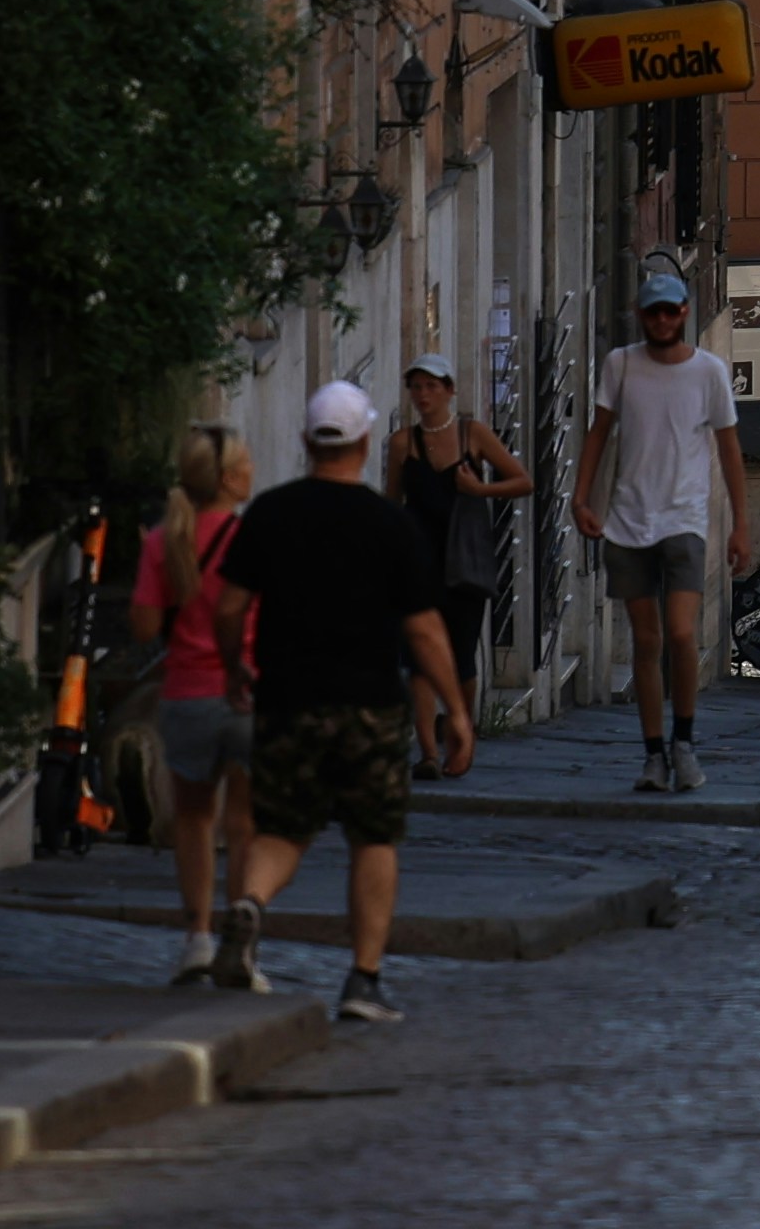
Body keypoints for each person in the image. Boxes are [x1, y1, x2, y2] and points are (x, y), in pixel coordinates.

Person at [220, 383, 473, 1021]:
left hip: (286, 698)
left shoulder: (270, 514)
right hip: (369, 704)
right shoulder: (391, 524)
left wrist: (235, 668)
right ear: (363, 443)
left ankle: (249, 904)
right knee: (373, 839)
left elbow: (228, 606)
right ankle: (363, 980)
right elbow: (423, 629)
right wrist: (456, 712)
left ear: (307, 442)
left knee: (281, 830)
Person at [570, 259, 748, 796]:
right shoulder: (620, 366)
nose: (663, 320)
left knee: (682, 634)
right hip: (627, 521)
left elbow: (730, 449)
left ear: (685, 313)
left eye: (671, 311)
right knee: (646, 642)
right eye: (654, 312)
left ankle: (685, 743)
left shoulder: (709, 372)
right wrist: (581, 498)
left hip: (685, 520)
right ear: (639, 315)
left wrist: (741, 526)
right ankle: (653, 753)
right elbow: (598, 433)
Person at [125, 426, 256, 985]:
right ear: (227, 479)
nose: (251, 472)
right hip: (248, 692)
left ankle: (197, 938)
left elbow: (144, 628)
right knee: (246, 822)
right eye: (245, 464)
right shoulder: (253, 540)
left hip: (186, 695)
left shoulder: (163, 541)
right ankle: (243, 943)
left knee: (194, 819)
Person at [387, 352, 531, 703]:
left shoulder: (473, 435)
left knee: (462, 656)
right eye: (417, 387)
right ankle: (429, 751)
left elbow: (523, 481)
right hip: (420, 562)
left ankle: (461, 728)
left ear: (449, 390)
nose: (423, 395)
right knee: (417, 657)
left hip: (464, 562)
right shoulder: (402, 442)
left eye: (432, 386)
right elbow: (392, 501)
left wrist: (481, 490)